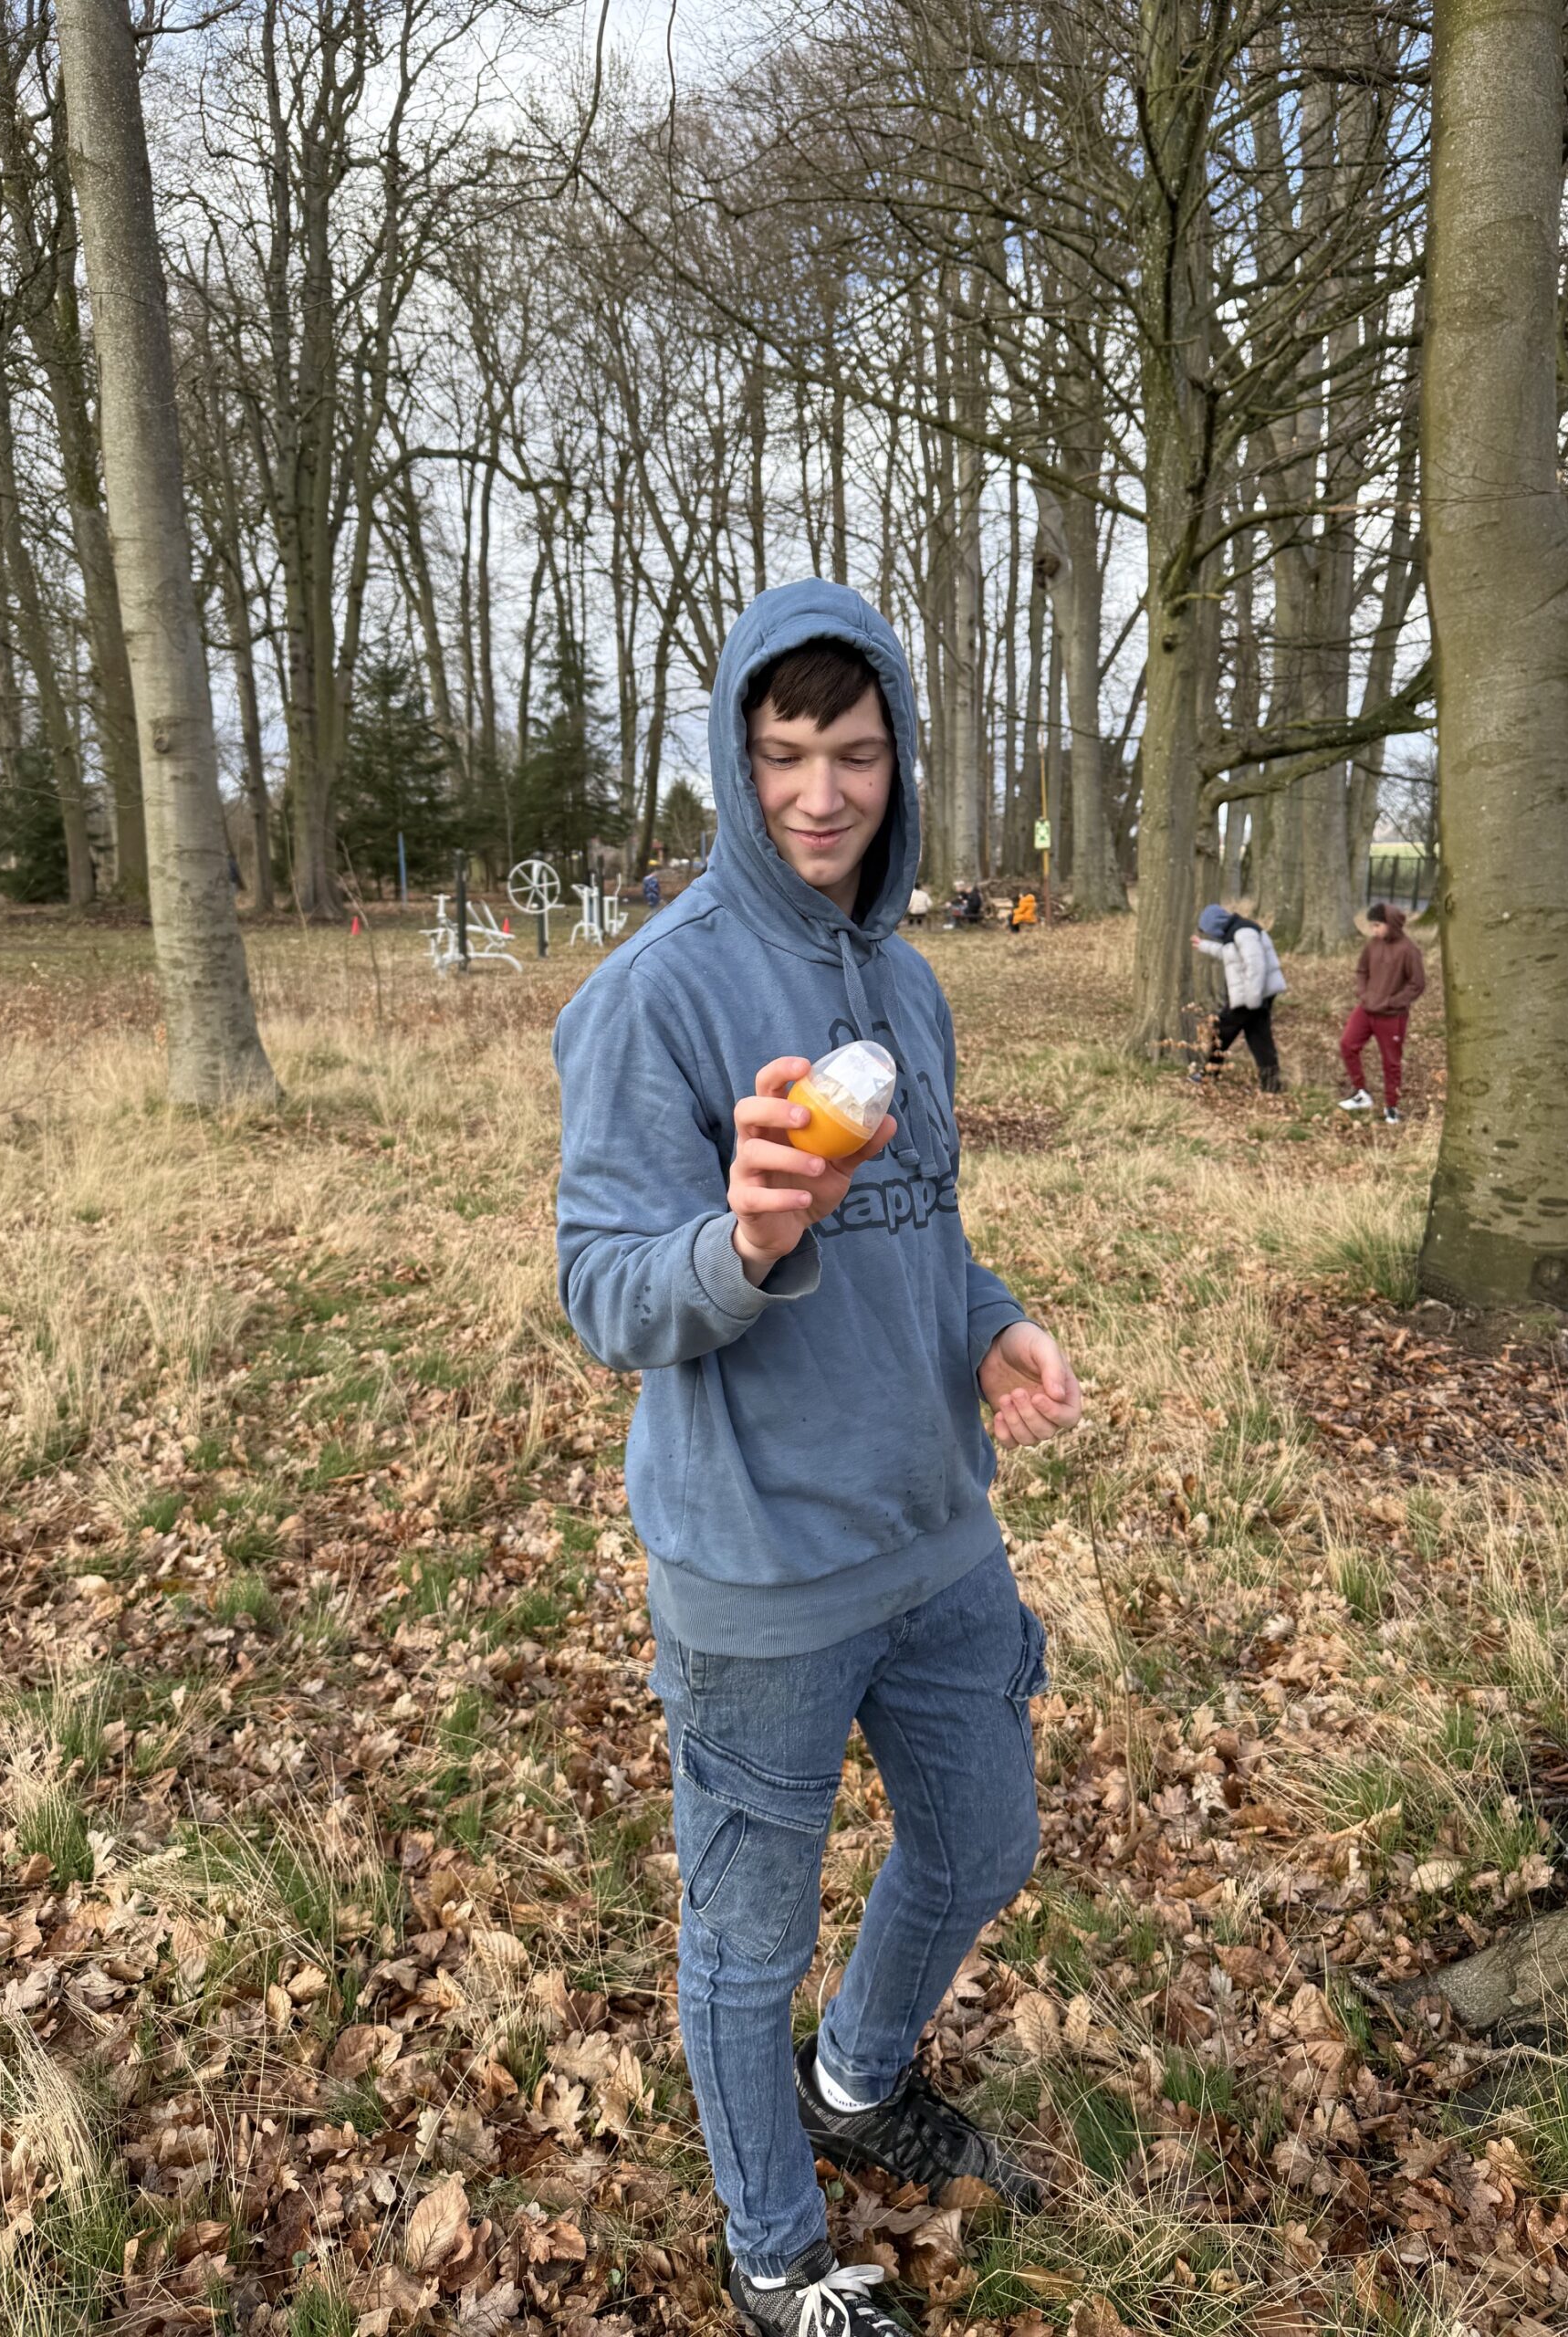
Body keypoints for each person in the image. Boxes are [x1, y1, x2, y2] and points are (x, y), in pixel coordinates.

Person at [554, 582, 1082, 2337]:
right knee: (746, 1942)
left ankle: (858, 2081)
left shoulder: (909, 987)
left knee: (983, 1844)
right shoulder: (657, 995)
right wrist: (744, 1240)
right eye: (783, 753)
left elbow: (926, 1230)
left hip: (937, 1537)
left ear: (898, 757)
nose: (821, 792)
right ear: (737, 755)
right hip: (760, 1571)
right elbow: (604, 1289)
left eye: (854, 751)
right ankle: (775, 2253)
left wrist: (991, 1324)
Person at [1339, 902, 1427, 1126]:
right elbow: (1362, 970)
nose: (1374, 930)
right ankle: (1361, 1093)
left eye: (1377, 925)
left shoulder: (1408, 950)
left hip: (1392, 1016)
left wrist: (1391, 1002)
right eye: (1372, 925)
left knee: (1391, 1061)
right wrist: (1364, 993)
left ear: (1391, 924)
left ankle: (1391, 1107)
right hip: (1366, 1009)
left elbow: (1417, 984)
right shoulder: (1372, 944)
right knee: (1347, 1044)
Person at [1191, 904, 1287, 1092]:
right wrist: (1203, 946)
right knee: (1259, 1038)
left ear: (1215, 925)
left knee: (1223, 1031)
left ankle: (1208, 1074)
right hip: (1256, 994)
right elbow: (1229, 954)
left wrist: (1252, 1000)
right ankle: (1271, 1086)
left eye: (1209, 931)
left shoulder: (1244, 933)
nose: (1211, 935)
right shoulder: (1237, 932)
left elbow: (1256, 966)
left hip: (1251, 996)